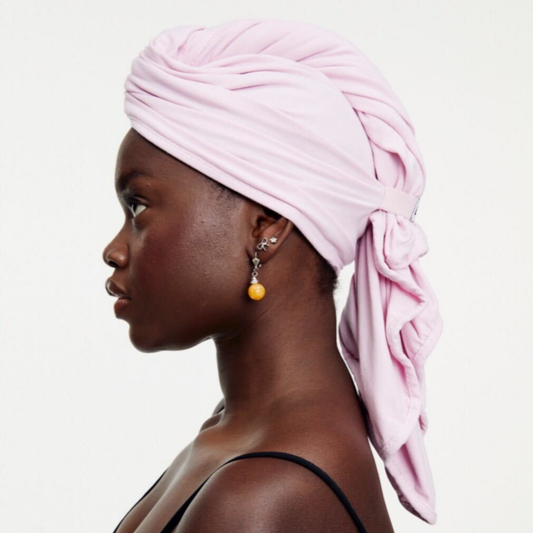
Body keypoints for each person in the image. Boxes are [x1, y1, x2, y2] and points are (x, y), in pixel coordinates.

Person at [103, 18, 443, 533]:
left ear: (266, 225)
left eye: (139, 206)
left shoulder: (258, 495)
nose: (113, 250)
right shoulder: (236, 436)